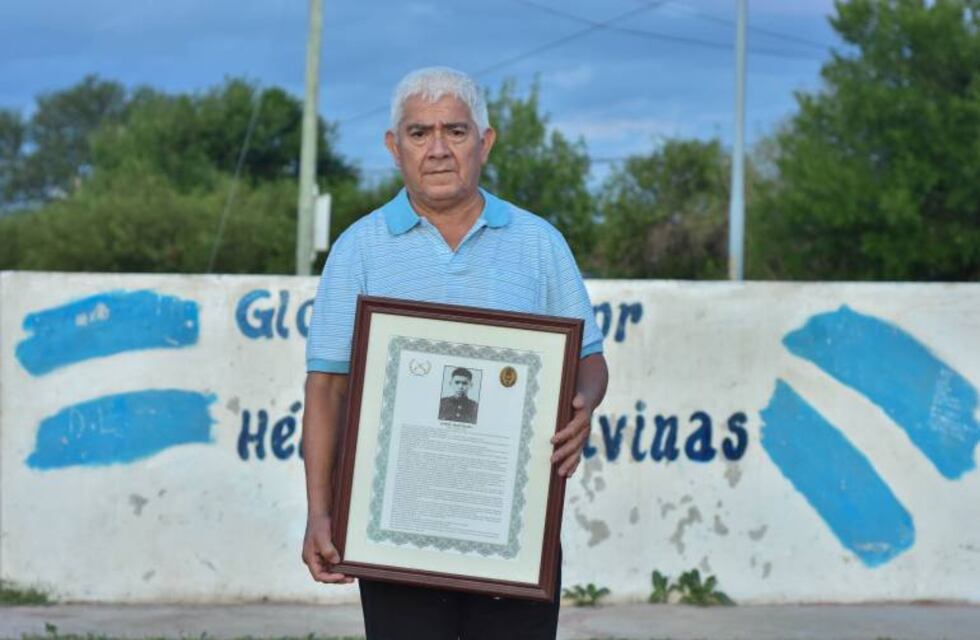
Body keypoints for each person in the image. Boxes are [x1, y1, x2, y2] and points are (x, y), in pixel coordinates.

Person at [301, 66, 609, 640]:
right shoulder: (359, 249)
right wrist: (320, 512)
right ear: (395, 148)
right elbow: (327, 388)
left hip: (509, 533)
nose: (438, 149)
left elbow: (589, 358)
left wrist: (584, 404)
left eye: (456, 131)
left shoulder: (538, 243)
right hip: (394, 530)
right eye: (419, 134)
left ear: (485, 143)